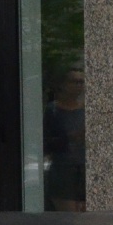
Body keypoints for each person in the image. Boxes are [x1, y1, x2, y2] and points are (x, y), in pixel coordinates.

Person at [42, 67, 87, 212]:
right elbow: (45, 142)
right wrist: (70, 137)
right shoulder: (53, 110)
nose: (79, 86)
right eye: (74, 82)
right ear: (63, 85)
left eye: (81, 82)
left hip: (83, 168)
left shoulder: (85, 110)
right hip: (62, 169)